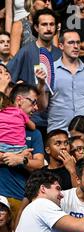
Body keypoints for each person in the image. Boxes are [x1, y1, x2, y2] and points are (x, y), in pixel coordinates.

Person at [7, 8, 62, 133]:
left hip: (55, 119)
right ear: (36, 28)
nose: (48, 28)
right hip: (31, 119)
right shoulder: (26, 51)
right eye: (44, 24)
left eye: (51, 24)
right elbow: (8, 78)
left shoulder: (60, 55)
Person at [0, 83, 44, 221]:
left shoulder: (34, 133)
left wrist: (21, 160)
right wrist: (13, 157)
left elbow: (39, 164)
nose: (36, 108)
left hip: (20, 196)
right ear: (19, 100)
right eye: (33, 102)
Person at [46, 29, 84, 133]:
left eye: (78, 42)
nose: (76, 46)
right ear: (61, 46)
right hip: (58, 131)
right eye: (71, 42)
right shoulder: (50, 70)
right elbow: (42, 105)